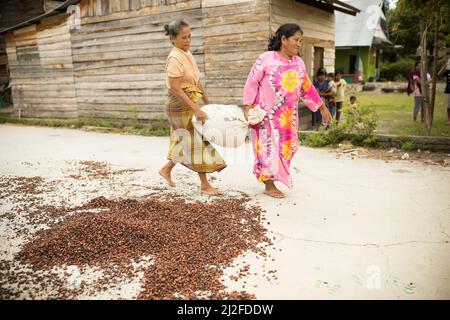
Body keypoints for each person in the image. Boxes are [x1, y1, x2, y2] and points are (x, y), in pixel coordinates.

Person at [242, 23, 332, 198]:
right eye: (296, 40)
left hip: (287, 118)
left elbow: (307, 87)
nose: (299, 44)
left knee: (286, 149)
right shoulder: (266, 59)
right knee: (267, 150)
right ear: (283, 39)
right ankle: (269, 185)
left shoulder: (298, 63)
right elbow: (251, 82)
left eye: (301, 41)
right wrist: (247, 107)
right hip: (265, 116)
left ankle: (275, 178)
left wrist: (321, 106)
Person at [159, 20, 226, 195]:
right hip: (178, 105)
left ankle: (166, 169)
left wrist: (208, 103)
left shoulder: (187, 54)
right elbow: (175, 88)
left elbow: (196, 82)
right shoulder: (174, 58)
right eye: (183, 37)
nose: (188, 40)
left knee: (184, 140)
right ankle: (205, 185)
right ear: (173, 39)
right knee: (195, 142)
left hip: (190, 102)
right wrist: (196, 109)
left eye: (189, 36)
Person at [438, 58, 450, 124]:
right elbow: (439, 74)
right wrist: (444, 66)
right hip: (448, 90)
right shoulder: (447, 71)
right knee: (448, 106)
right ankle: (449, 120)